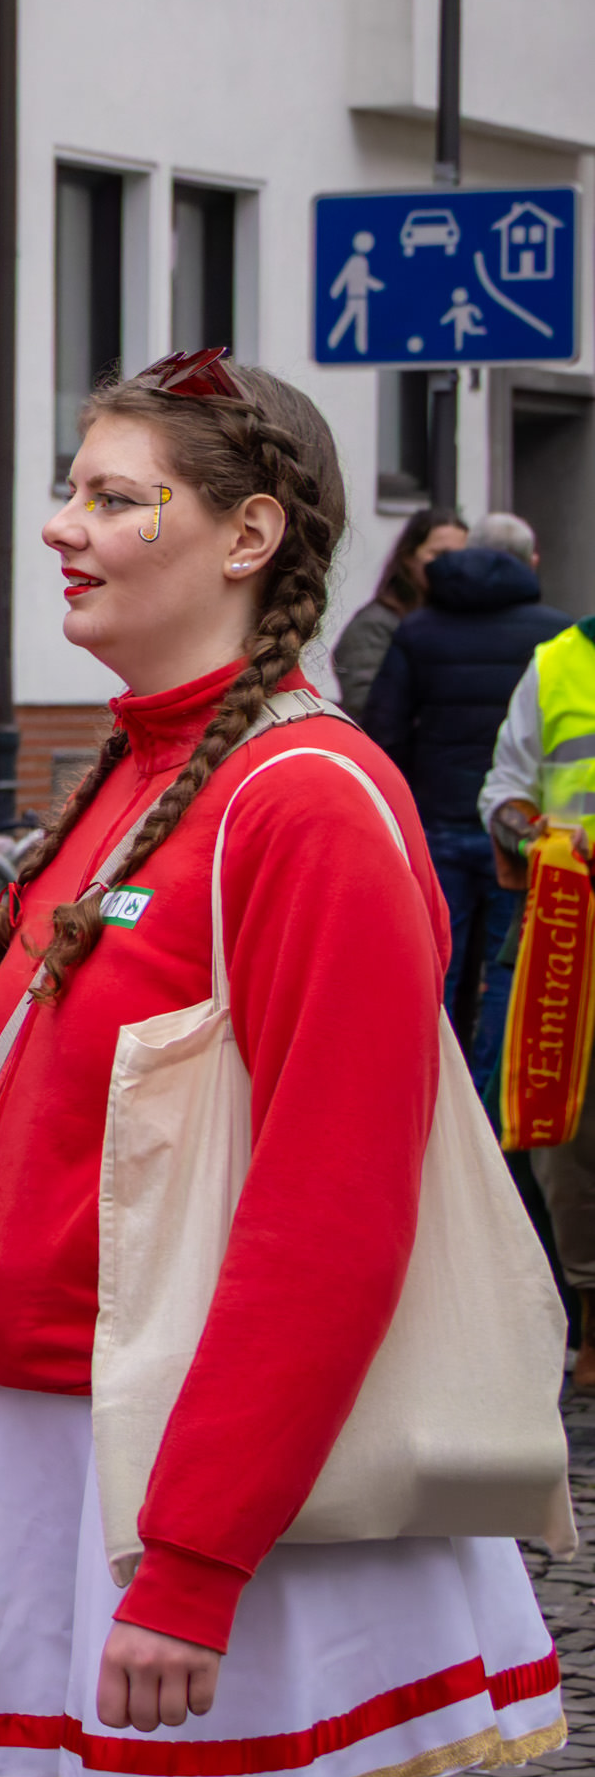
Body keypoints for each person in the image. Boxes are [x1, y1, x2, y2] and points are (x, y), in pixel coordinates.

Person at [0, 349, 562, 1777]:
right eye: (70, 489)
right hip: (57, 1474)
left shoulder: (307, 797)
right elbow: (16, 1192)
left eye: (115, 497)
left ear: (250, 533)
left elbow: (332, 1215)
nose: (63, 528)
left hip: (215, 1504)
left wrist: (192, 1556)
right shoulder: (134, 777)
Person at [360, 512, 560, 1065]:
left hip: (435, 824)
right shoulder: (555, 635)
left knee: (433, 966)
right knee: (507, 971)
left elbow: (384, 731)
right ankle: (492, 1102)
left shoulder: (418, 630)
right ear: (531, 562)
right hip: (518, 831)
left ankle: (431, 1092)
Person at [477, 584, 595, 1367]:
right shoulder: (557, 663)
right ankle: (588, 1311)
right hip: (571, 937)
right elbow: (504, 792)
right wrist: (530, 837)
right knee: (564, 1136)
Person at [336, 513, 470, 713]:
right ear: (409, 557)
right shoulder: (375, 624)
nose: (452, 565)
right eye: (440, 554)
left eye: (462, 557)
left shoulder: (463, 618)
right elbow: (365, 703)